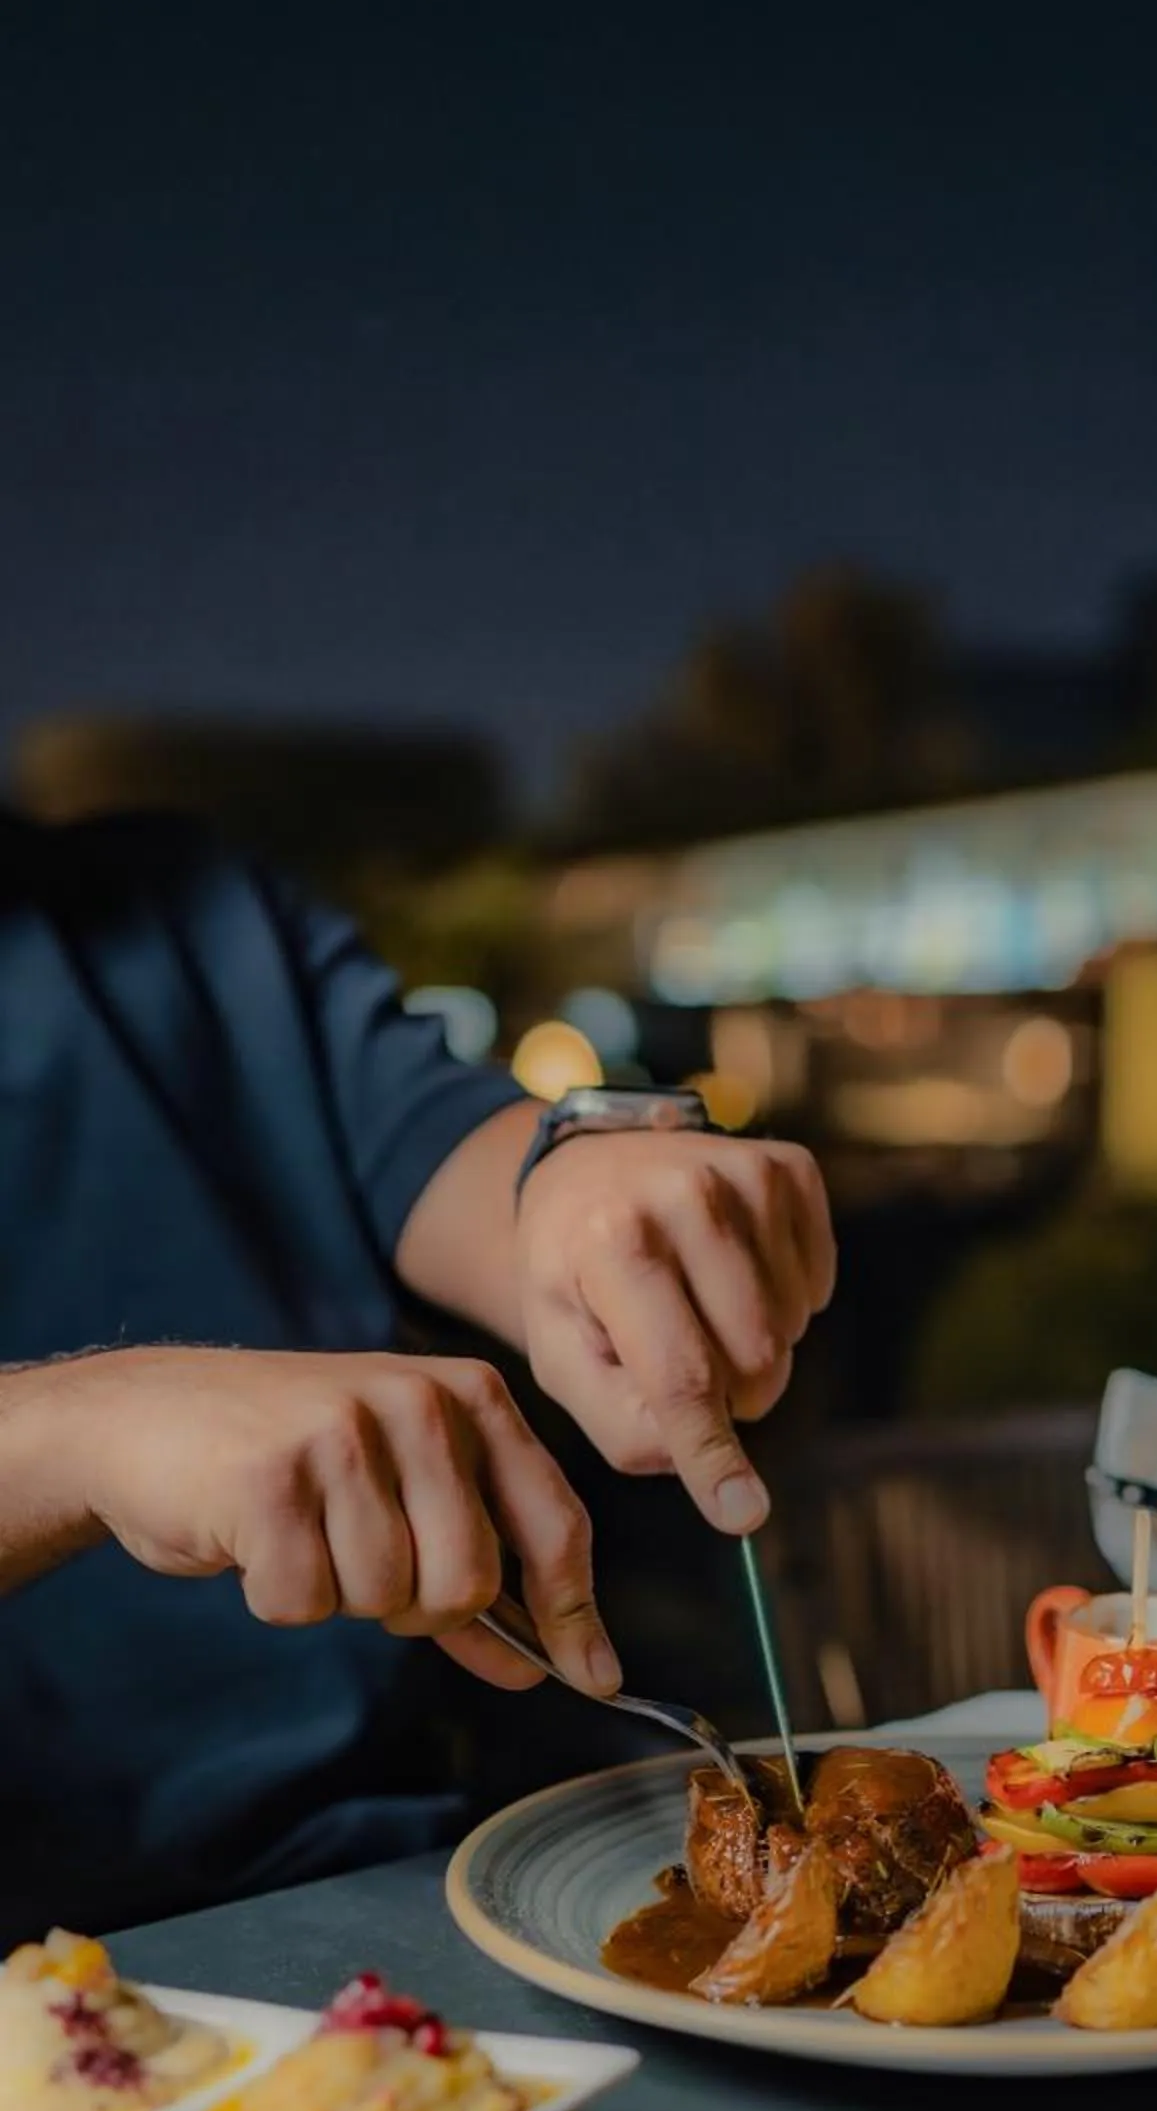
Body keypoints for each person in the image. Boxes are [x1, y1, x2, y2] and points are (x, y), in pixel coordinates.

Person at [0, 805, 835, 1935]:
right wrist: (77, 1430)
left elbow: (455, 1148)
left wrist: (585, 1179)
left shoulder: (188, 909)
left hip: (409, 1872)